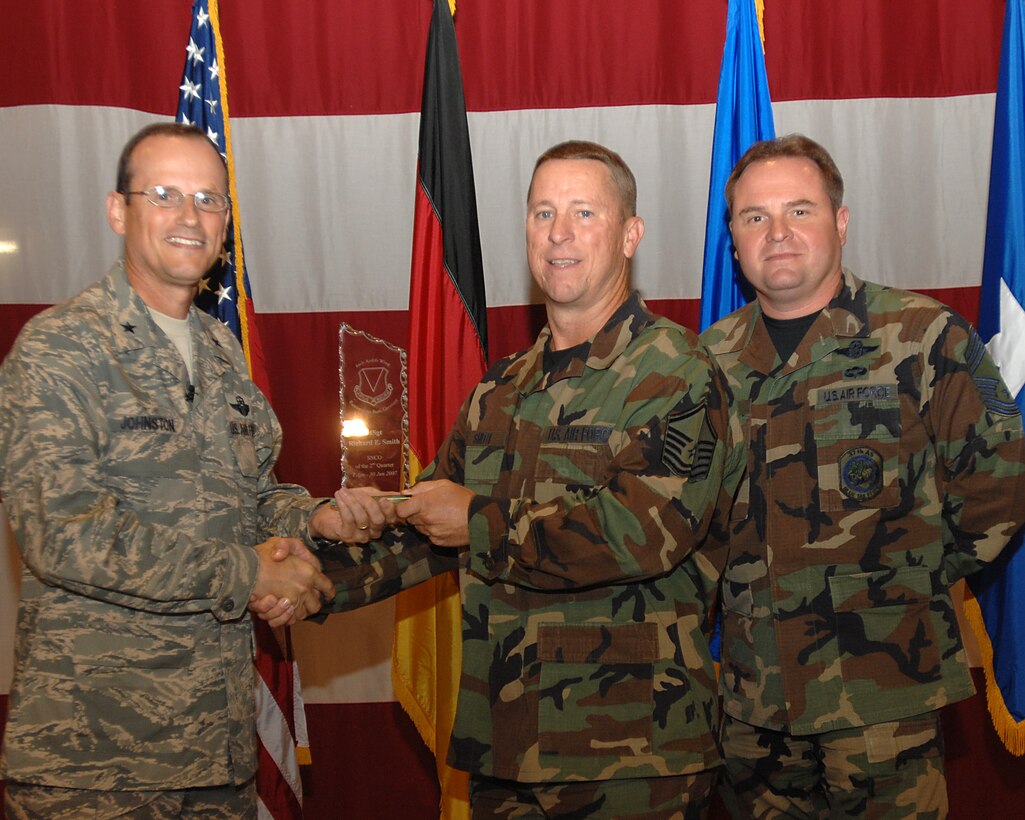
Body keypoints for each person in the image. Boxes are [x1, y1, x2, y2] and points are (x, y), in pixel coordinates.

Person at [305, 140, 744, 818]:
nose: (558, 234)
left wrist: (475, 520)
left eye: (582, 213)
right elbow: (427, 525)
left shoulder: (676, 372)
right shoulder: (501, 388)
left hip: (630, 754)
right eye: (542, 213)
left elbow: (640, 534)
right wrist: (310, 575)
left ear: (630, 234)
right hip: (504, 744)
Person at [0, 123, 372, 818]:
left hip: (217, 748)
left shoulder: (220, 349)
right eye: (164, 194)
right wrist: (249, 573)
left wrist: (311, 518)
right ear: (119, 210)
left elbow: (251, 495)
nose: (189, 217)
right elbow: (65, 536)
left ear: (226, 222)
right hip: (96, 760)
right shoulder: (58, 349)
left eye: (209, 200)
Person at [700, 133, 1025, 818]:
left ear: (840, 223)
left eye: (799, 210)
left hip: (885, 692)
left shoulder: (923, 335)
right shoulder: (706, 362)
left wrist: (901, 583)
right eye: (754, 217)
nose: (777, 233)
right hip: (754, 704)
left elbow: (1000, 484)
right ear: (732, 237)